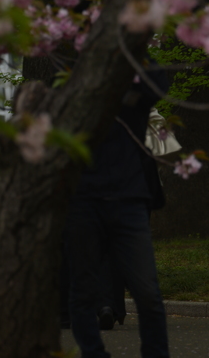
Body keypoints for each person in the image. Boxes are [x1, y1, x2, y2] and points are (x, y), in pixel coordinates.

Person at [66, 67, 171, 358]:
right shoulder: (76, 98)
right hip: (85, 201)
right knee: (82, 289)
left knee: (148, 292)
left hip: (129, 201)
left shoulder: (132, 100)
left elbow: (159, 83)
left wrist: (133, 50)